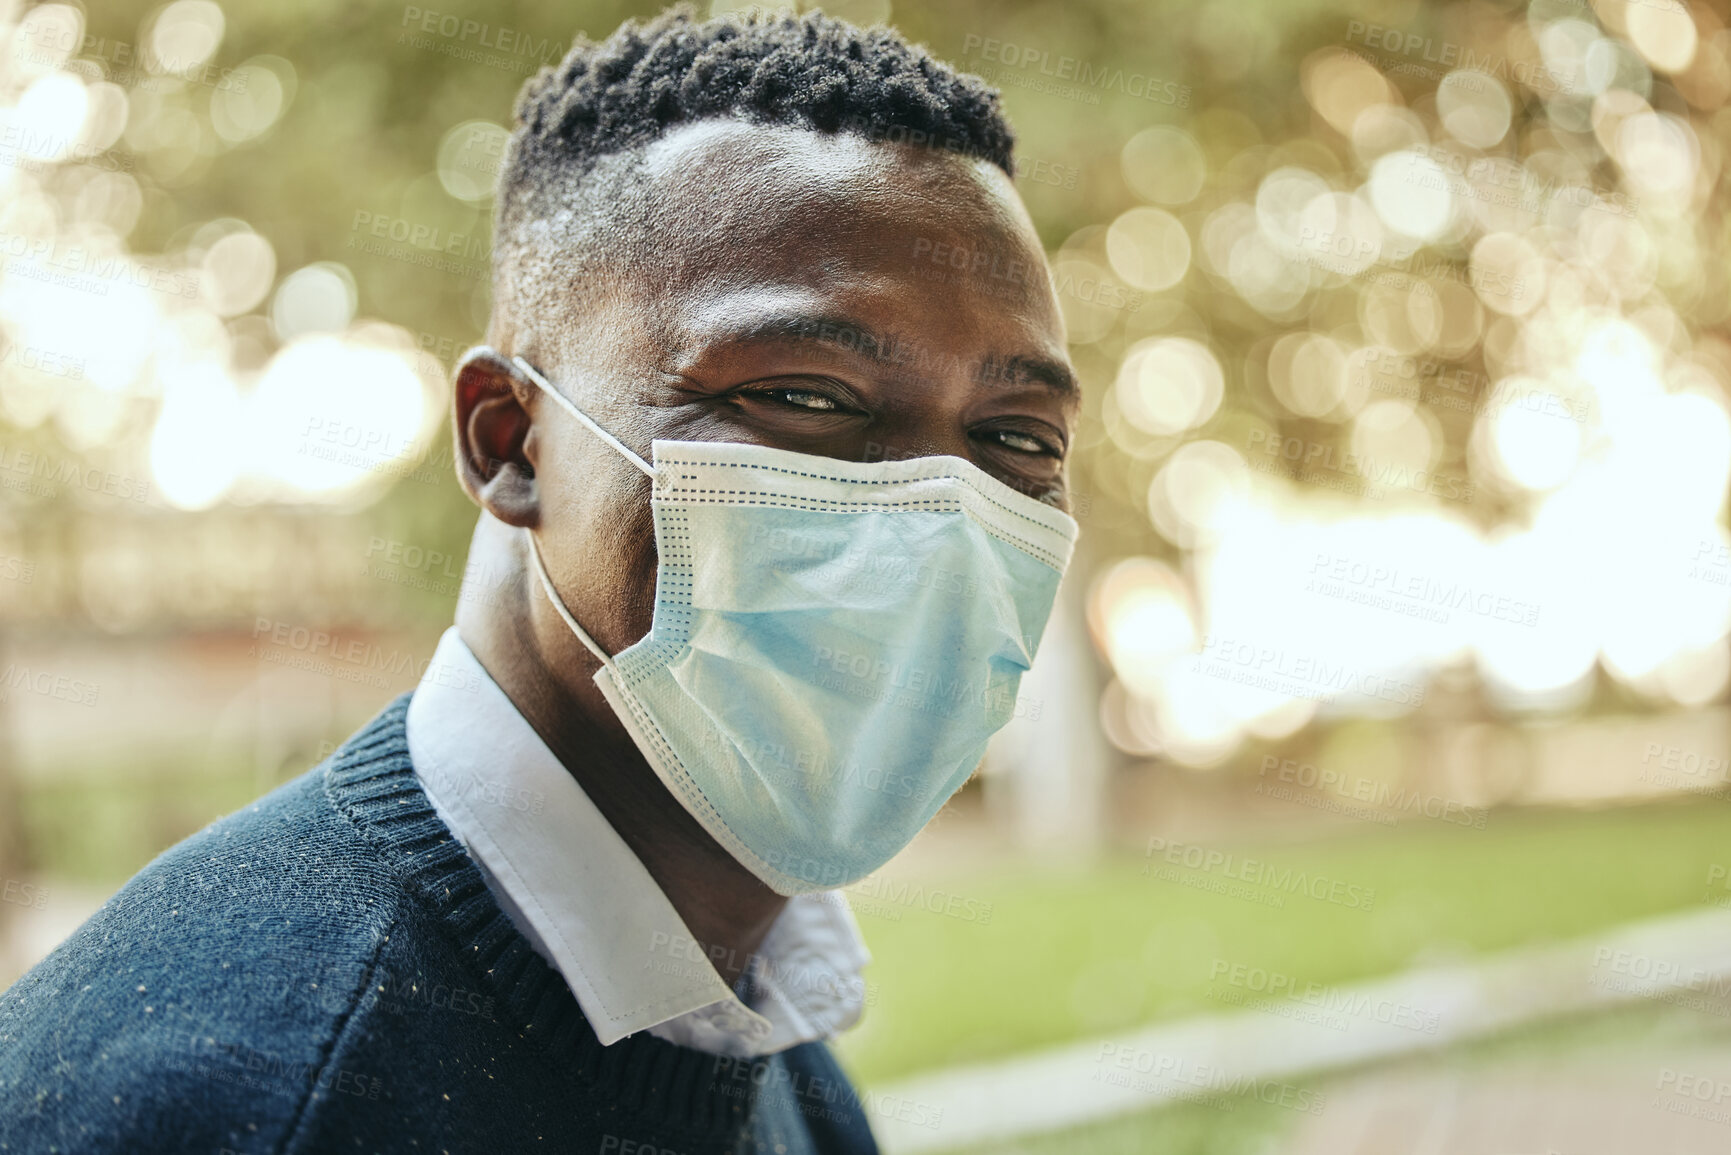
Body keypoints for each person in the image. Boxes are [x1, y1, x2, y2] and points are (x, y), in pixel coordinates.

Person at [0, 6, 1079, 1152]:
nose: (936, 514)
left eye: (1021, 440)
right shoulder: (234, 1098)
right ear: (511, 441)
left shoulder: (776, 1051)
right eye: (804, 398)